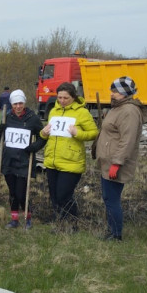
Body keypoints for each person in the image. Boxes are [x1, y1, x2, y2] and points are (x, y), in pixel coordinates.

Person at [39, 82, 99, 233]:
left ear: (73, 97)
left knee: (64, 194)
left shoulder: (82, 113)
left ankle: (73, 223)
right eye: (59, 97)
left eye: (66, 98)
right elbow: (47, 133)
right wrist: (43, 133)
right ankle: (60, 223)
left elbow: (93, 133)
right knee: (54, 195)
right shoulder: (54, 111)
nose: (62, 101)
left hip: (71, 161)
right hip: (52, 160)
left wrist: (78, 134)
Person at [95, 76, 147, 241]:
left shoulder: (129, 111)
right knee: (108, 198)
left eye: (115, 91)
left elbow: (127, 140)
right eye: (112, 90)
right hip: (108, 161)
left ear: (125, 93)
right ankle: (111, 230)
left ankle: (116, 235)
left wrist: (117, 164)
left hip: (115, 163)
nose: (112, 94)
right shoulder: (118, 108)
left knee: (112, 199)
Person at [0, 89, 45, 229]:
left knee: (20, 193)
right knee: (12, 192)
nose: (18, 106)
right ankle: (14, 219)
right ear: (11, 104)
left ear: (24, 103)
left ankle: (28, 217)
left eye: (20, 103)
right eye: (15, 103)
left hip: (24, 161)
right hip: (9, 160)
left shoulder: (32, 118)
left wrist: (34, 147)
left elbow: (43, 137)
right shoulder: (7, 117)